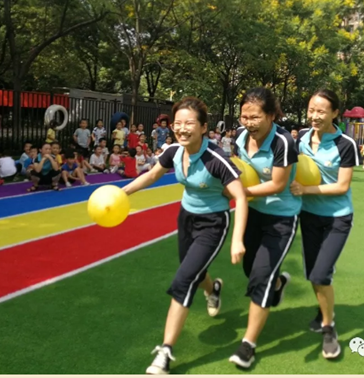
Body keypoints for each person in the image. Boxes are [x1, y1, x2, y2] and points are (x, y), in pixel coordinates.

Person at [122, 97, 248, 375]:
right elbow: (152, 175)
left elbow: (240, 197)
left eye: (189, 123)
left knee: (183, 281)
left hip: (213, 223)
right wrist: (122, 193)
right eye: (177, 123)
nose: (181, 128)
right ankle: (213, 290)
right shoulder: (174, 151)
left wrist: (238, 239)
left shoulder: (217, 159)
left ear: (203, 127)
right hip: (186, 218)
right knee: (194, 273)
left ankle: (165, 352)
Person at [228, 87, 299, 369]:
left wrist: (241, 193)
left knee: (260, 277)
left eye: (255, 117)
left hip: (281, 217)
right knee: (250, 269)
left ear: (271, 115)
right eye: (244, 117)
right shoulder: (240, 137)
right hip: (253, 213)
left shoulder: (283, 142)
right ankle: (278, 283)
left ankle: (248, 344)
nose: (249, 123)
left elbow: (278, 184)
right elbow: (239, 171)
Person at [290, 89, 358, 359]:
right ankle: (323, 310)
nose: (314, 116)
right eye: (311, 110)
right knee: (313, 274)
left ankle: (329, 329)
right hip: (308, 216)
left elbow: (342, 186)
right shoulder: (301, 139)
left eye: (321, 111)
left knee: (320, 275)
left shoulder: (345, 144)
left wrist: (305, 190)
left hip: (337, 218)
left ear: (334, 113)